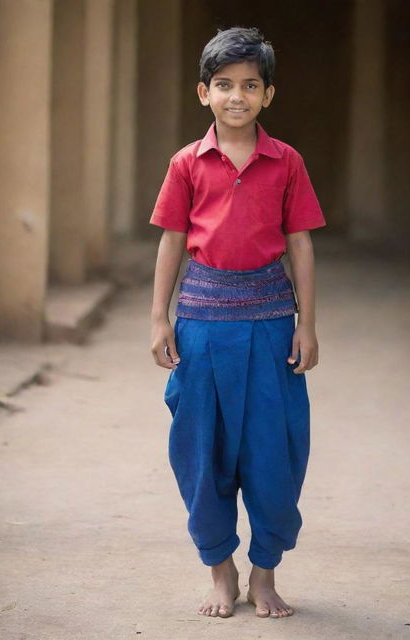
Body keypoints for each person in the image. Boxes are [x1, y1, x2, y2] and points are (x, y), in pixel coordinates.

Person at [149, 26, 326, 620]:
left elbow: (299, 243)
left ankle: (265, 575)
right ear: (203, 93)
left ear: (268, 95)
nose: (236, 96)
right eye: (224, 85)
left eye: (250, 85)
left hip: (273, 323)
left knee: (274, 450)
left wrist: (307, 323)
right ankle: (221, 572)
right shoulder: (186, 163)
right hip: (200, 320)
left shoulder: (287, 163)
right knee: (202, 448)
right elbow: (172, 241)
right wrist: (160, 319)